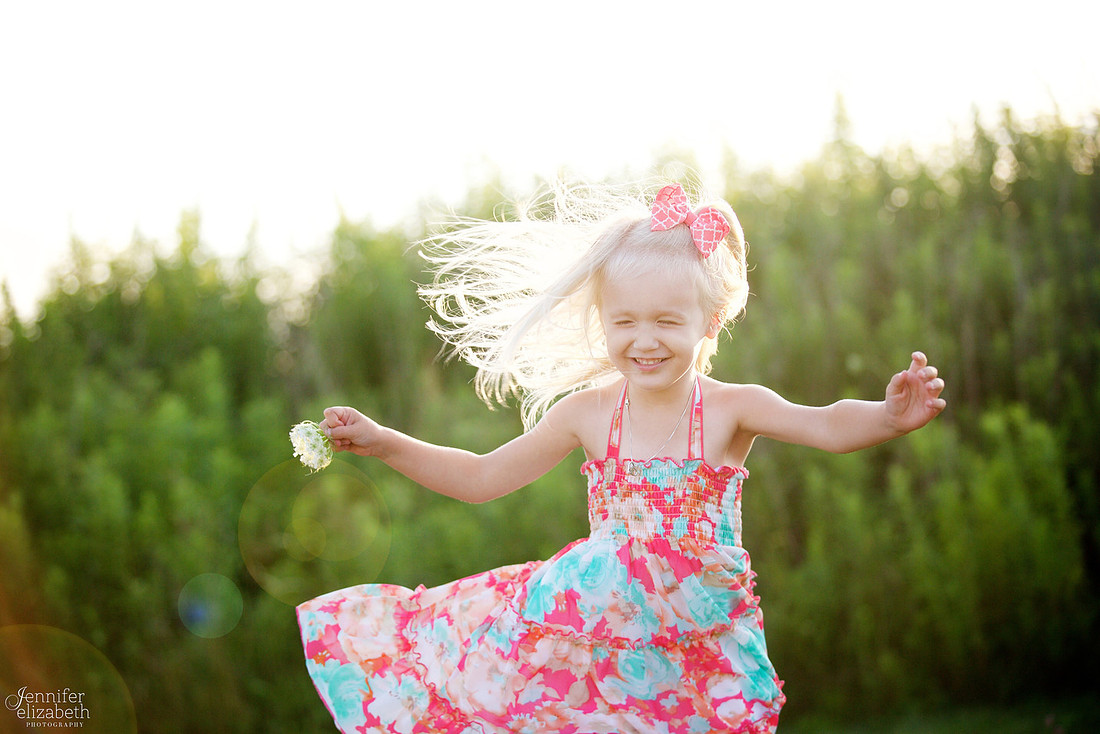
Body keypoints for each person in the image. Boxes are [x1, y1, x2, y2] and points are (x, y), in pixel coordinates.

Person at [296, 180, 947, 733]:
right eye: (625, 321)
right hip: (597, 640)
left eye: (667, 321)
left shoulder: (730, 408)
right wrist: (385, 441)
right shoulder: (588, 413)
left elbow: (825, 423)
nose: (644, 340)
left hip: (697, 642)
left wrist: (888, 416)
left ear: (710, 321)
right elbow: (481, 476)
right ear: (603, 321)